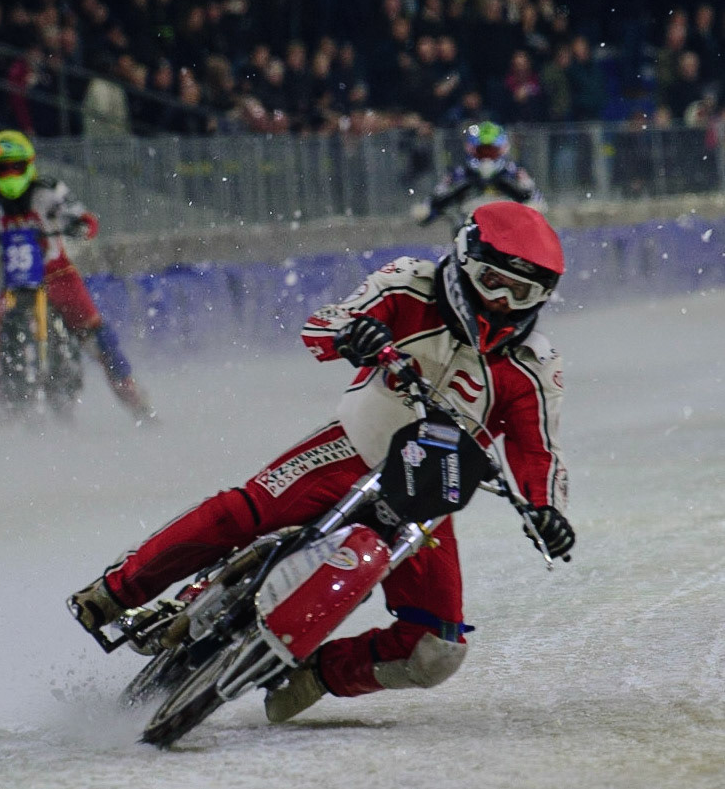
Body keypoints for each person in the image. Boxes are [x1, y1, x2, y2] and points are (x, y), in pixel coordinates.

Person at [69, 201, 575, 723]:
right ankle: (116, 591)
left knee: (436, 649)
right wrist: (353, 335)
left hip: (426, 498)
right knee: (246, 512)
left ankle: (317, 674)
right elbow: (325, 323)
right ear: (467, 257)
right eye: (494, 281)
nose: (502, 302)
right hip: (352, 445)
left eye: (523, 292)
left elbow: (539, 450)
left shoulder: (534, 367)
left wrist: (548, 512)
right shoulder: (409, 283)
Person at [0, 130, 155, 422]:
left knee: (100, 339)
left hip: (59, 275)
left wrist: (80, 225)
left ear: (29, 165)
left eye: (16, 167)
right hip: (16, 282)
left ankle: (135, 400)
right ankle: (6, 401)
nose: (10, 174)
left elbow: (81, 215)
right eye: (2, 168)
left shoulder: (49, 190)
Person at [420, 121, 543, 229]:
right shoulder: (461, 173)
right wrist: (427, 210)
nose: (486, 157)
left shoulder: (514, 172)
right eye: (482, 151)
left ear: (502, 150)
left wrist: (532, 209)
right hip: (468, 228)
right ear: (472, 150)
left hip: (506, 230)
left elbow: (535, 197)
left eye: (491, 151)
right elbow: (437, 196)